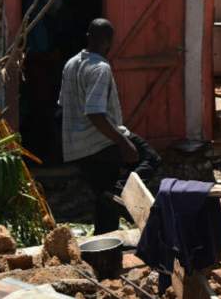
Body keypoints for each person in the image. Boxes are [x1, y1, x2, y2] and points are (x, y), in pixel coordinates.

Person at [59, 18, 157, 234]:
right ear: (109, 43)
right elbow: (95, 113)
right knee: (150, 158)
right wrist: (123, 143)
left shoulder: (71, 64)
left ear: (88, 37)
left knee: (104, 200)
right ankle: (120, 192)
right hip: (99, 142)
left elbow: (63, 106)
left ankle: (104, 254)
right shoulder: (100, 68)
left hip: (77, 148)